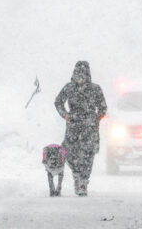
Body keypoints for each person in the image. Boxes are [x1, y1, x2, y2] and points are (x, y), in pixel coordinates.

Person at [54, 61, 107, 196]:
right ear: (74, 74)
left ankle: (83, 181)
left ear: (88, 75)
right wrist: (65, 115)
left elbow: (103, 107)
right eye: (78, 75)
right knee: (69, 152)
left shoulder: (95, 89)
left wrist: (96, 118)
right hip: (73, 125)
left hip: (90, 127)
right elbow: (58, 102)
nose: (80, 78)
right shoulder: (69, 88)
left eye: (83, 75)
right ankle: (76, 174)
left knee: (88, 155)